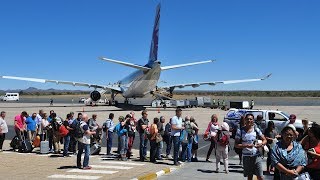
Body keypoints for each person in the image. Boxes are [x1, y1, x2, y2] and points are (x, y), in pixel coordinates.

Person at [235, 113, 267, 180]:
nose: (249, 120)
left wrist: (261, 144)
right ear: (245, 120)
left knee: (260, 176)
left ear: (253, 120)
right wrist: (246, 145)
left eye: (251, 119)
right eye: (247, 119)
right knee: (250, 176)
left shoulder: (256, 129)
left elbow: (264, 140)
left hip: (256, 156)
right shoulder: (240, 131)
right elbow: (236, 145)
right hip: (246, 157)